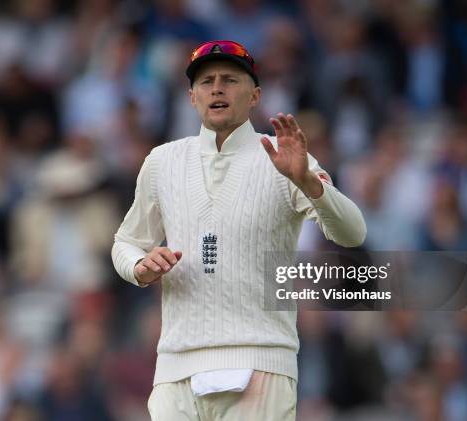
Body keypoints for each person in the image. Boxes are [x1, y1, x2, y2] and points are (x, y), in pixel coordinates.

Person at [112, 40, 367, 420]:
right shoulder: (163, 162)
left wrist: (309, 183)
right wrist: (139, 266)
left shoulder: (284, 158)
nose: (217, 88)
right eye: (206, 81)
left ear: (254, 96)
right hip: (176, 368)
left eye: (230, 80)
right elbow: (126, 242)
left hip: (261, 363)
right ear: (192, 97)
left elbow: (353, 233)